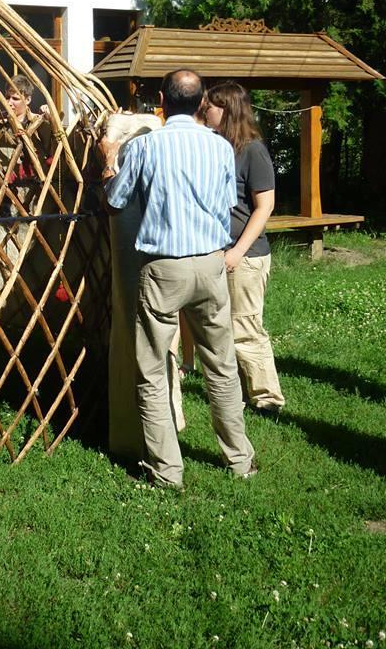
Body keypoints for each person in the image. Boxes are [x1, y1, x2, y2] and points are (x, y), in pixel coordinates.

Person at [100, 69, 255, 489]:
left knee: (151, 371)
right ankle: (240, 460)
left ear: (162, 105)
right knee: (221, 366)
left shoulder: (147, 147)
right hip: (210, 264)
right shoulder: (221, 148)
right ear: (201, 101)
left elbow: (115, 202)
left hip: (164, 268)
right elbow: (227, 203)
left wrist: (109, 159)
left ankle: (168, 472)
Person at [205, 81, 285, 414]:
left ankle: (267, 399)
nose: (203, 110)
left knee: (246, 327)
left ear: (227, 109)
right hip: (219, 254)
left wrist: (238, 251)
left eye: (209, 105)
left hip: (246, 256)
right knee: (223, 327)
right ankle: (235, 391)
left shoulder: (252, 150)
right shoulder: (215, 147)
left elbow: (264, 206)